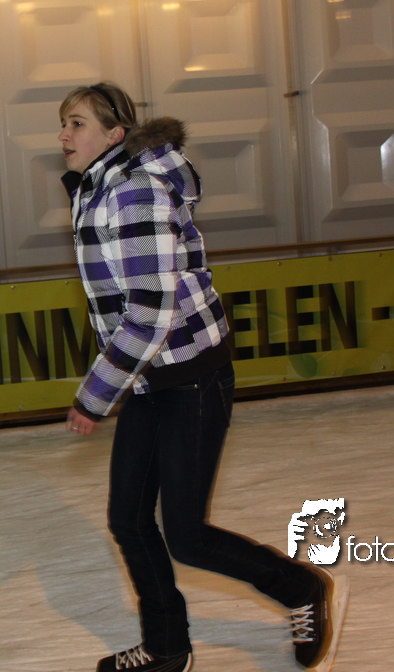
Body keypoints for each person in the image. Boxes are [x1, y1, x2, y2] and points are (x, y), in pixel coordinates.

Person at [58, 82, 347, 672]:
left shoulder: (133, 192)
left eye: (77, 123)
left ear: (115, 134)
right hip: (150, 377)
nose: (64, 135)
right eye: (63, 123)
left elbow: (152, 309)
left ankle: (303, 588)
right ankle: (167, 647)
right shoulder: (99, 188)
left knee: (186, 535)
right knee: (129, 520)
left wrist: (94, 396)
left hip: (189, 377)